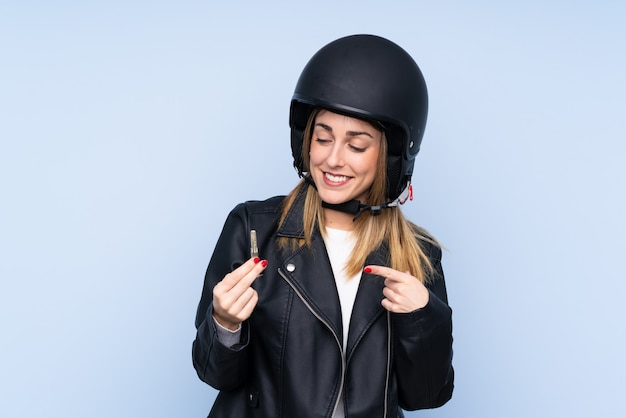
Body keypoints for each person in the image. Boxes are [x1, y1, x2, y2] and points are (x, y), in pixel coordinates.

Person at [192, 34, 454, 418]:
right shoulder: (251, 230)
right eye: (322, 138)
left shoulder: (416, 255)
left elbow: (426, 396)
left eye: (357, 145)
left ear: (393, 157)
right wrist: (225, 324)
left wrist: (421, 319)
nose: (333, 159)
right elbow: (214, 373)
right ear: (305, 140)